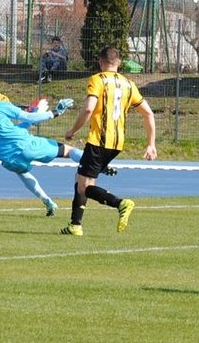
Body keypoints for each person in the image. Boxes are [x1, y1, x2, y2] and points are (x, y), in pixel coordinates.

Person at [60, 46, 157, 236]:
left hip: (98, 141)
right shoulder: (129, 84)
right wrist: (151, 144)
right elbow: (148, 113)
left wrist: (73, 130)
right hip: (117, 143)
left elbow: (89, 109)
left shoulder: (98, 79)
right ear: (119, 63)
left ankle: (120, 203)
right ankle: (75, 225)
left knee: (85, 186)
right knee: (82, 179)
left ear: (100, 62)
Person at [0, 81, 76, 217]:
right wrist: (54, 112)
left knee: (24, 174)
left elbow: (6, 133)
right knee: (67, 150)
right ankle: (96, 162)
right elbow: (28, 116)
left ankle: (47, 201)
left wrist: (29, 121)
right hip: (25, 146)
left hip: (9, 159)